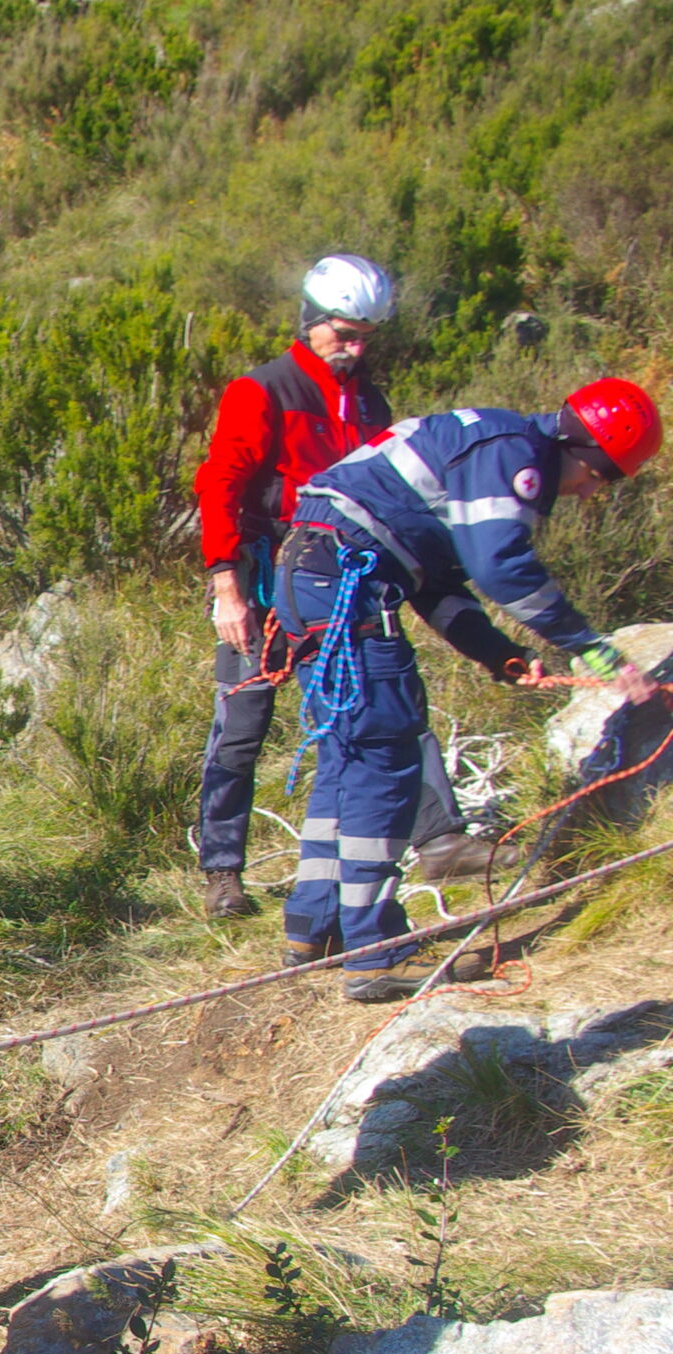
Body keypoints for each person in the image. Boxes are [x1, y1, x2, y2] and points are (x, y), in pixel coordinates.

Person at [276, 378, 664, 1001]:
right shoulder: (514, 452)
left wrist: (503, 656)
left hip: (310, 577)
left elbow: (437, 586)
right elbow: (499, 566)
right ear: (582, 444)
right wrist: (592, 647)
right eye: (603, 474)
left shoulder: (483, 441)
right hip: (345, 589)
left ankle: (314, 924)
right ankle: (375, 953)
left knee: (349, 753)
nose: (593, 492)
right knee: (386, 757)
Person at [192, 253, 492, 925]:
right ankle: (222, 871)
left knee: (383, 703)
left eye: (364, 336)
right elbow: (220, 486)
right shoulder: (263, 390)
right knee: (241, 728)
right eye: (342, 334)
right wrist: (228, 588)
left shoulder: (369, 403)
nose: (353, 349)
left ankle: (440, 837)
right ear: (311, 322)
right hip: (265, 583)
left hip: (344, 584)